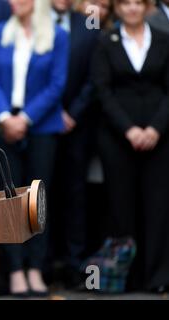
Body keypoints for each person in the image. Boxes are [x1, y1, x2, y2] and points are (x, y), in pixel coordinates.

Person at [0, 0, 68, 297]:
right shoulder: (0, 32)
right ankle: (16, 271)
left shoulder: (58, 35)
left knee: (38, 198)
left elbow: (57, 85)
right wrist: (6, 117)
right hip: (2, 124)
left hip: (41, 126)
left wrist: (26, 118)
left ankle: (36, 268)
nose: (15, 2)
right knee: (7, 200)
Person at [92, 0, 169, 292]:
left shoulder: (163, 40)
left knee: (159, 205)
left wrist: (154, 129)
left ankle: (158, 277)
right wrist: (130, 130)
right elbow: (102, 89)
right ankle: (125, 276)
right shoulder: (105, 41)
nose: (133, 8)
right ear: (118, 9)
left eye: (139, 2)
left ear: (148, 7)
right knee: (121, 204)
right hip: (117, 137)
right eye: (126, 3)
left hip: (159, 138)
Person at [48, 0, 99, 289]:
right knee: (41, 193)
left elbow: (95, 76)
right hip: (40, 122)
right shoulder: (37, 22)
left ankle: (74, 263)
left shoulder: (88, 24)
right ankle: (44, 263)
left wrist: (72, 114)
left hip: (76, 126)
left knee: (75, 195)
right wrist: (50, 112)